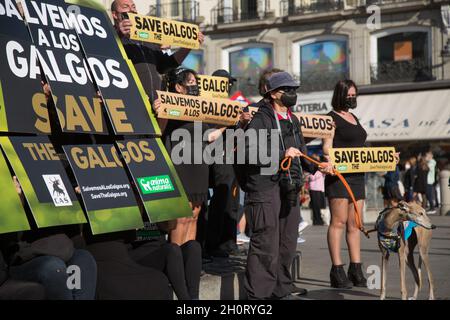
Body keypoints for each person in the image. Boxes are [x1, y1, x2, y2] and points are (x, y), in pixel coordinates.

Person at [242, 71, 333, 300]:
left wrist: (318, 166)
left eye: (294, 89)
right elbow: (249, 152)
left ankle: (280, 289)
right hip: (264, 187)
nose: (293, 94)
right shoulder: (260, 118)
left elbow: (300, 151)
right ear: (273, 94)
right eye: (287, 90)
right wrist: (282, 153)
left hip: (288, 186)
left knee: (287, 241)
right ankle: (258, 298)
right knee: (266, 242)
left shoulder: (293, 119)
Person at [111, 0, 204, 105]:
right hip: (129, 104)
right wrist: (119, 34)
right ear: (114, 14)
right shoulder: (108, 36)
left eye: (133, 7)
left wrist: (189, 45)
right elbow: (105, 54)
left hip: (155, 106)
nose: (131, 10)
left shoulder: (148, 39)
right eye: (125, 6)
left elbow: (166, 65)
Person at [156, 68, 210, 246]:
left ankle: (190, 258)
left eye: (196, 83)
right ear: (179, 87)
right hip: (180, 166)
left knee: (194, 215)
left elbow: (209, 135)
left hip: (199, 166)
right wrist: (161, 111)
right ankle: (176, 260)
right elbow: (159, 132)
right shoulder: (170, 105)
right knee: (181, 218)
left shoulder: (201, 109)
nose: (195, 87)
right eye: (191, 83)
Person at [323, 79, 367, 289]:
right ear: (340, 95)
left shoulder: (354, 117)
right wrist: (328, 161)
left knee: (355, 224)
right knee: (338, 222)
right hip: (339, 177)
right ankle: (337, 269)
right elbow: (326, 147)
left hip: (357, 175)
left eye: (354, 94)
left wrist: (386, 157)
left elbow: (360, 145)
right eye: (349, 94)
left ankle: (356, 268)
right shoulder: (330, 119)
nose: (352, 98)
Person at [308, 154, 326, 225]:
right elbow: (311, 177)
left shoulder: (320, 168)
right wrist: (319, 173)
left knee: (318, 205)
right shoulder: (313, 168)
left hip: (319, 189)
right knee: (315, 205)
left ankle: (319, 219)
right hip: (314, 189)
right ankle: (317, 220)